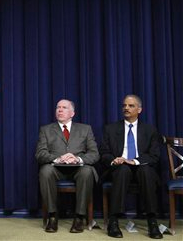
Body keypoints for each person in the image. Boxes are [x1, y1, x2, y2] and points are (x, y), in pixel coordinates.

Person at [100, 95, 163, 239]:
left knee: (146, 170)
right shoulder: (110, 129)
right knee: (122, 170)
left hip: (141, 167)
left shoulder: (149, 130)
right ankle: (113, 221)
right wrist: (114, 160)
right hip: (119, 168)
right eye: (124, 106)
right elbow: (103, 153)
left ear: (139, 109)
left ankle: (152, 221)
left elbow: (154, 156)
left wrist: (134, 161)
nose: (126, 108)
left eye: (131, 106)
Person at [35, 99, 99, 233]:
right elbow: (40, 154)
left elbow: (94, 154)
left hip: (78, 168)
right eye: (58, 107)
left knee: (87, 172)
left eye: (64, 107)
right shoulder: (46, 130)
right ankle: (52, 216)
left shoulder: (85, 129)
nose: (60, 110)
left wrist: (78, 159)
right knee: (45, 171)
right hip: (56, 168)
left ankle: (80, 217)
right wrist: (58, 158)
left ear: (72, 113)